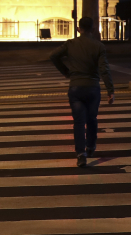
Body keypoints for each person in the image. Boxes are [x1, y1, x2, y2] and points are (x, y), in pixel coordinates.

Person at [49, 16, 115, 167]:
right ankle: (90, 147)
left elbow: (53, 55)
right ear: (93, 29)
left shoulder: (71, 44)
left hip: (76, 88)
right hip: (93, 88)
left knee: (79, 122)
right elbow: (104, 69)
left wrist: (66, 72)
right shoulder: (98, 46)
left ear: (79, 29)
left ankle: (81, 155)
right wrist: (110, 90)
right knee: (92, 119)